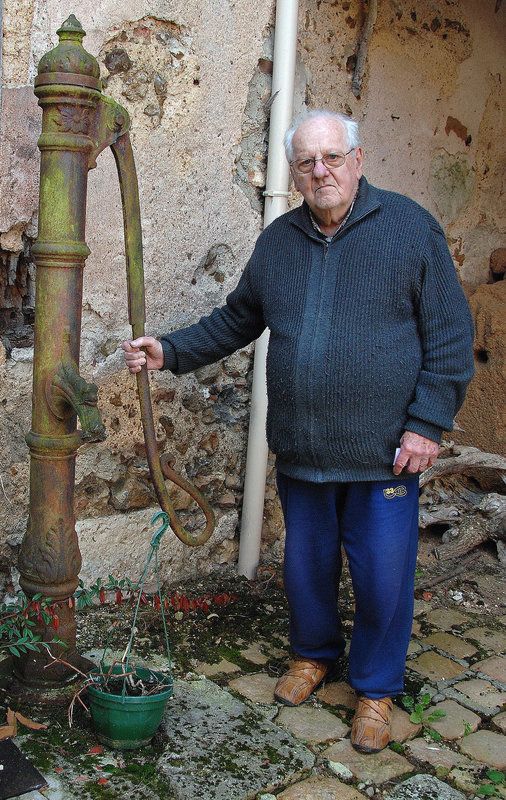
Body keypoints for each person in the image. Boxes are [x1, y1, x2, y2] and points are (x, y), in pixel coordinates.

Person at [122, 110, 474, 754]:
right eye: (307, 162)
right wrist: (166, 351)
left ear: (358, 159)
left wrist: (427, 424)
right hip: (304, 448)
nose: (321, 171)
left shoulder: (410, 228)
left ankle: (374, 689)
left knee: (383, 578)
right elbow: (236, 321)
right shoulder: (279, 241)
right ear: (295, 173)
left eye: (332, 157)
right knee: (306, 568)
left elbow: (451, 335)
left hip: (385, 454)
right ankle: (312, 655)